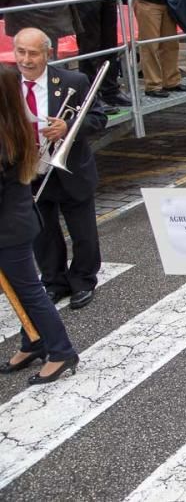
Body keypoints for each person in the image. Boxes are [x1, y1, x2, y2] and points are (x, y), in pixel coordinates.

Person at [14, 28, 108, 309]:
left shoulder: (73, 81)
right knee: (42, 233)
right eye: (21, 52)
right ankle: (53, 281)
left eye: (33, 53)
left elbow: (98, 117)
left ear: (48, 54)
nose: (26, 60)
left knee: (84, 234)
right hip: (29, 170)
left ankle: (83, 280)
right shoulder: (7, 84)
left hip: (70, 169)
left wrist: (68, 127)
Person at [0, 63, 80, 385]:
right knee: (21, 287)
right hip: (16, 221)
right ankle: (33, 341)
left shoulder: (4, 135)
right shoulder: (13, 123)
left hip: (9, 227)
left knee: (30, 290)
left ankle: (61, 351)